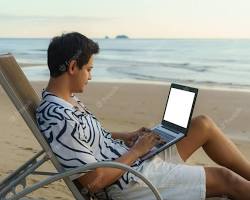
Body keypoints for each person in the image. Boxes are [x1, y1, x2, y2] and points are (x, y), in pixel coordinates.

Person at [36, 32, 250, 200]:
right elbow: (95, 181)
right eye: (89, 69)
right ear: (73, 67)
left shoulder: (65, 101)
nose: (91, 76)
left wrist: (126, 136)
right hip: (130, 183)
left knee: (202, 125)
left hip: (130, 161)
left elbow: (84, 138)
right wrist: (138, 151)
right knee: (225, 179)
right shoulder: (58, 117)